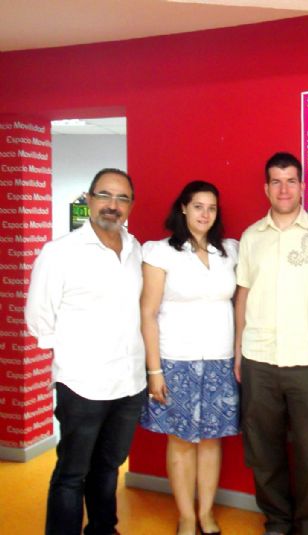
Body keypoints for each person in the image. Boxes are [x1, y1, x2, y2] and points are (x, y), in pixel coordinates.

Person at [26, 168, 146, 535]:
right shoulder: (60, 252)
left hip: (128, 382)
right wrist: (69, 358)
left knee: (108, 467)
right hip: (82, 384)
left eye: (122, 198)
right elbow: (38, 316)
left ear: (131, 205)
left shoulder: (135, 248)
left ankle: (103, 529)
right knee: (71, 474)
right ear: (90, 199)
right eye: (105, 195)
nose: (113, 205)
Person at [234, 152, 308, 535]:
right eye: (276, 181)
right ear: (266, 188)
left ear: (301, 186)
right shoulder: (251, 237)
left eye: (291, 181)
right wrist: (238, 351)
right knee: (263, 449)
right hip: (258, 358)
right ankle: (278, 520)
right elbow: (243, 295)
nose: (284, 189)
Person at [139, 181, 239, 535]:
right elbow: (147, 312)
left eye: (211, 207)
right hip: (175, 360)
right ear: (183, 207)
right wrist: (154, 369)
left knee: (211, 439)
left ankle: (206, 513)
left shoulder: (229, 251)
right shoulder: (160, 252)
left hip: (220, 360)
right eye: (198, 206)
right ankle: (185, 516)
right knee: (180, 442)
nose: (205, 214)